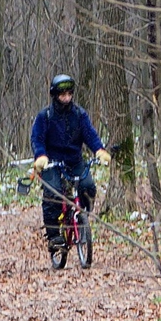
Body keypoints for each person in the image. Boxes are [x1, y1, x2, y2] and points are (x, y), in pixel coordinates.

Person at [31, 74, 111, 252]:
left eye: (69, 94)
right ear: (55, 95)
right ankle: (54, 236)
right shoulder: (45, 116)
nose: (66, 98)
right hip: (52, 163)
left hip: (74, 160)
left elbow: (90, 134)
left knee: (88, 186)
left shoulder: (79, 114)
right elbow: (37, 138)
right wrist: (40, 156)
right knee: (53, 194)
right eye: (62, 95)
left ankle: (81, 217)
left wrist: (99, 150)